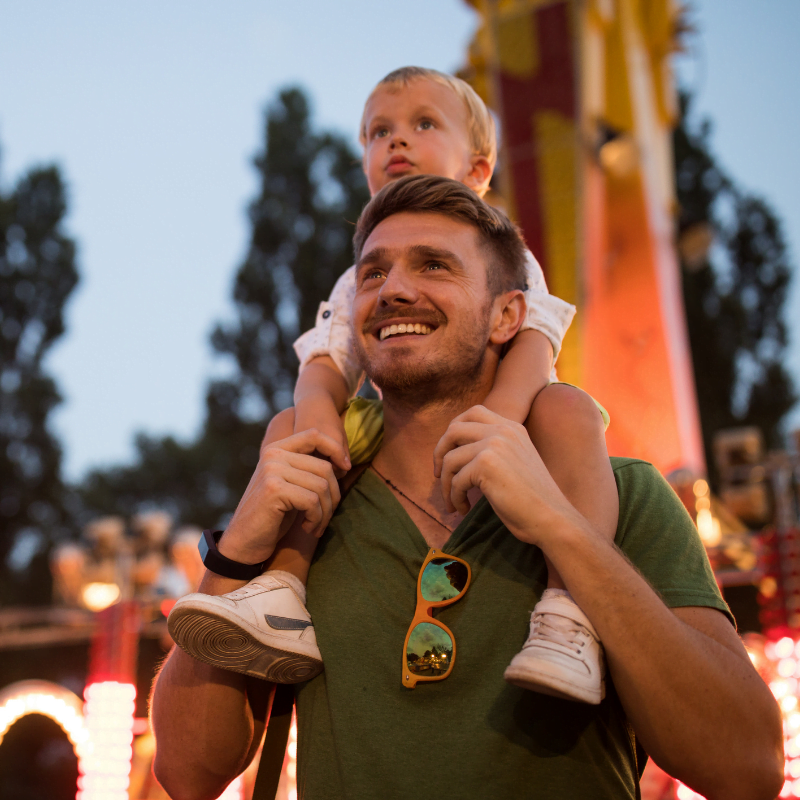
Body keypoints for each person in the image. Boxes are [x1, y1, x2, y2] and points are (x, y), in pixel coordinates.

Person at [152, 175, 783, 800]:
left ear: (508, 315)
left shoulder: (625, 494)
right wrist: (237, 552)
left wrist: (560, 527)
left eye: (433, 267)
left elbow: (747, 769)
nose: (394, 290)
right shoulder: (303, 508)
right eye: (373, 274)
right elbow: (186, 774)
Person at [168, 66, 618, 705]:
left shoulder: (504, 251)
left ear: (479, 170)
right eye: (379, 133)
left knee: (569, 411)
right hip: (395, 428)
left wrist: (497, 421)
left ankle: (568, 614)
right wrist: (319, 418)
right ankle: (282, 592)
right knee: (290, 434)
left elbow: (536, 344)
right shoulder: (358, 277)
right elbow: (326, 360)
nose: (395, 143)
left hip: (512, 416)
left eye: (423, 125)